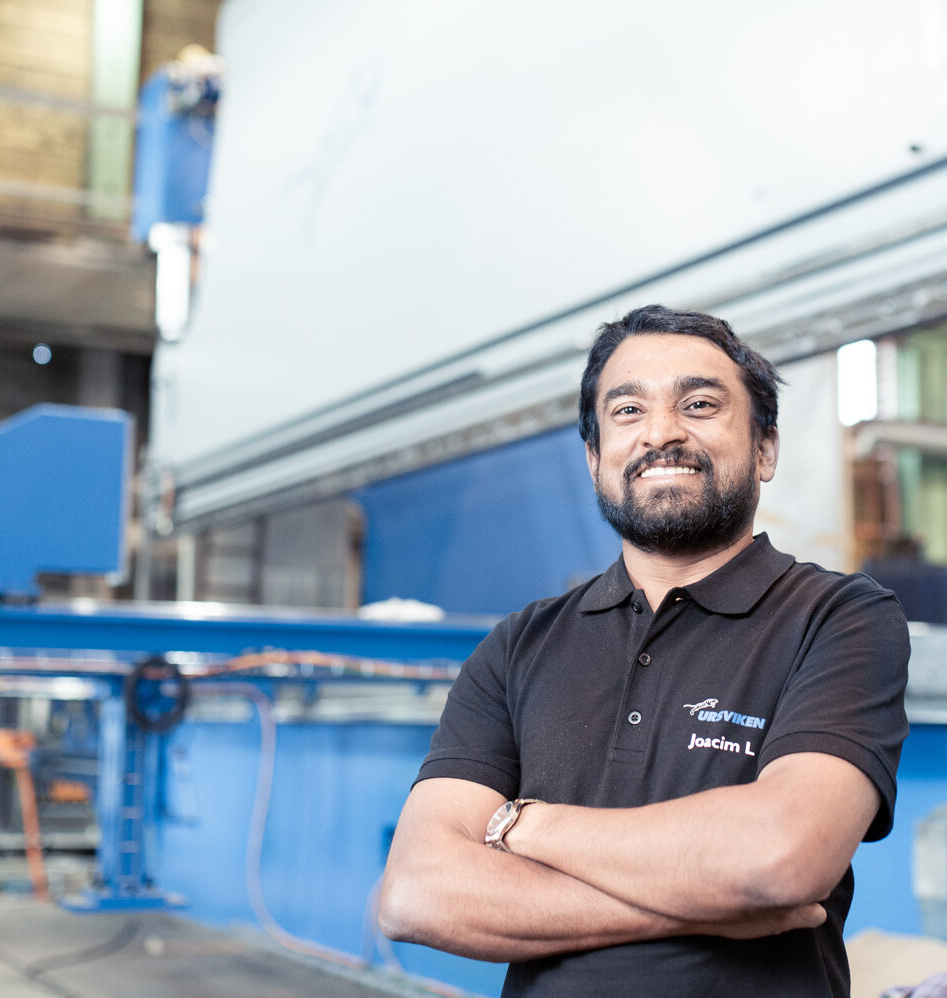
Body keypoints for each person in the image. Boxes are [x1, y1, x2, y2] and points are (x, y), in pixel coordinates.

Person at [378, 304, 910, 997]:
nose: (662, 432)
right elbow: (416, 894)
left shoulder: (839, 618)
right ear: (596, 458)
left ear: (765, 448)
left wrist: (522, 825)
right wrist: (709, 905)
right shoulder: (519, 645)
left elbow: (781, 858)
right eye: (627, 412)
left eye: (699, 403)